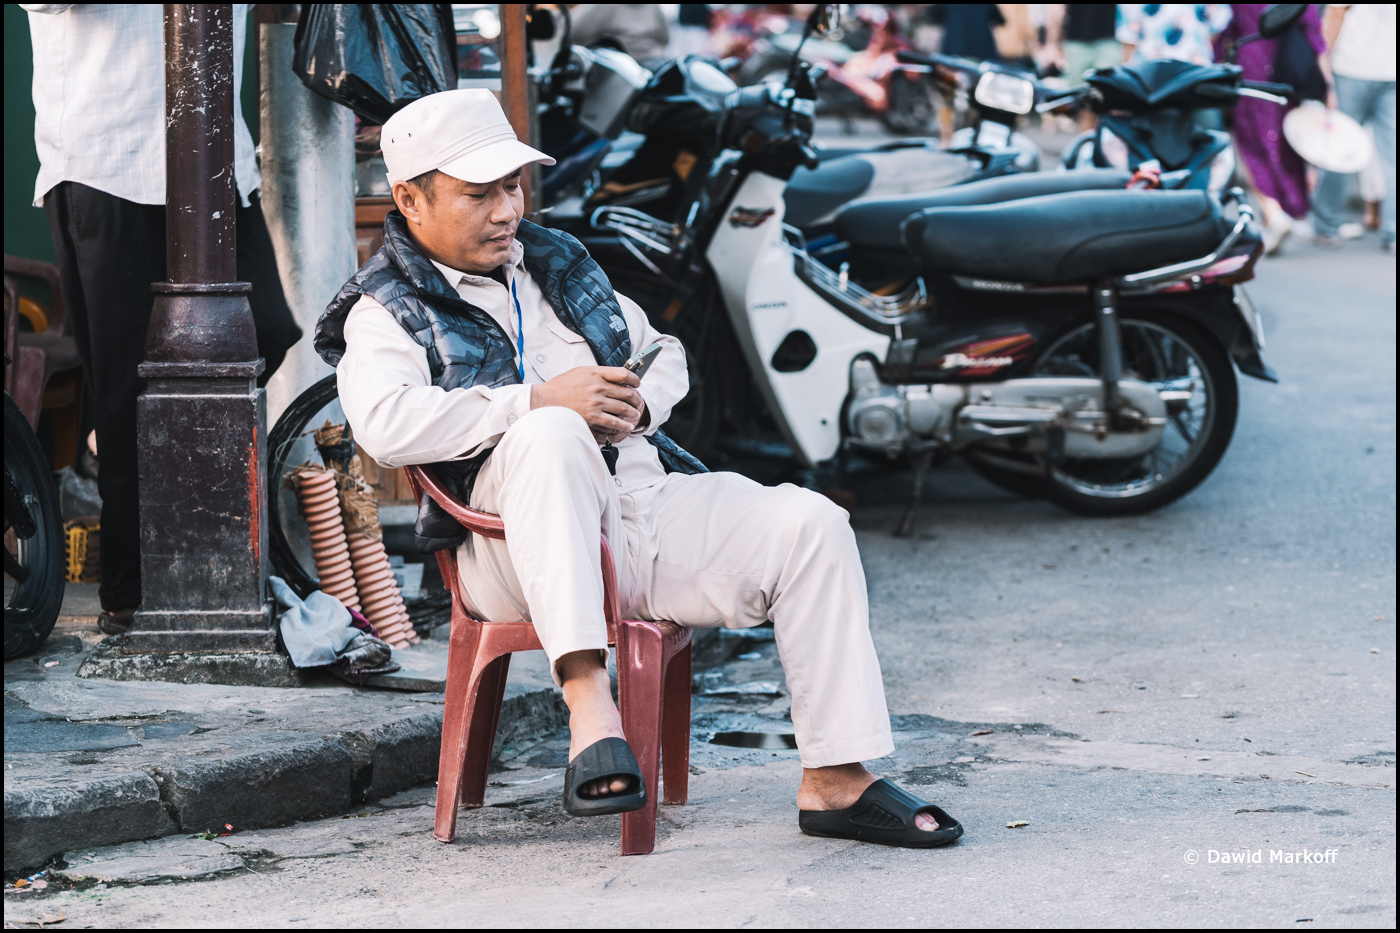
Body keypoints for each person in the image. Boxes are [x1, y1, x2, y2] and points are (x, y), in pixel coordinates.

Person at [315, 89, 962, 848]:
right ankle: (590, 705)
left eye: (512, 186)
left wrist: (638, 404)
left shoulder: (555, 264)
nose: (505, 211)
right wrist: (536, 402)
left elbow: (666, 355)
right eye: (477, 193)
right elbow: (387, 424)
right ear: (409, 198)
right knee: (550, 433)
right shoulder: (383, 307)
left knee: (810, 523)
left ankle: (836, 779)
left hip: (638, 508)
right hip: (504, 547)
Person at [24, 4, 301, 634]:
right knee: (128, 386)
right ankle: (131, 593)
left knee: (268, 330)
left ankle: (125, 458)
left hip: (211, 156)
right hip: (107, 159)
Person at [1218, 5, 1328, 255]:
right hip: (1286, 66)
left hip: (1250, 63)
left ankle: (1273, 212)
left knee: (1252, 144)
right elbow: (1313, 33)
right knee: (1282, 141)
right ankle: (1288, 210)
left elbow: (1223, 30)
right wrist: (1326, 82)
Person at [1309, 3, 1395, 252]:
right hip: (1391, 70)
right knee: (1393, 156)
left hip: (1352, 67)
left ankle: (1327, 225)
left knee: (1340, 148)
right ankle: (1394, 231)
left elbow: (1336, 11)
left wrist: (1322, 56)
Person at [1046, 4, 1122, 131]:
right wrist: (1052, 44)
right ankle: (1086, 144)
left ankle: (1101, 144)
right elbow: (1056, 8)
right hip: (1076, 41)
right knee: (1084, 102)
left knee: (1107, 100)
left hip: (1108, 40)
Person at [568, 3, 670, 66]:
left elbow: (576, 30)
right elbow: (665, 36)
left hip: (617, 68)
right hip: (652, 61)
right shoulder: (653, 6)